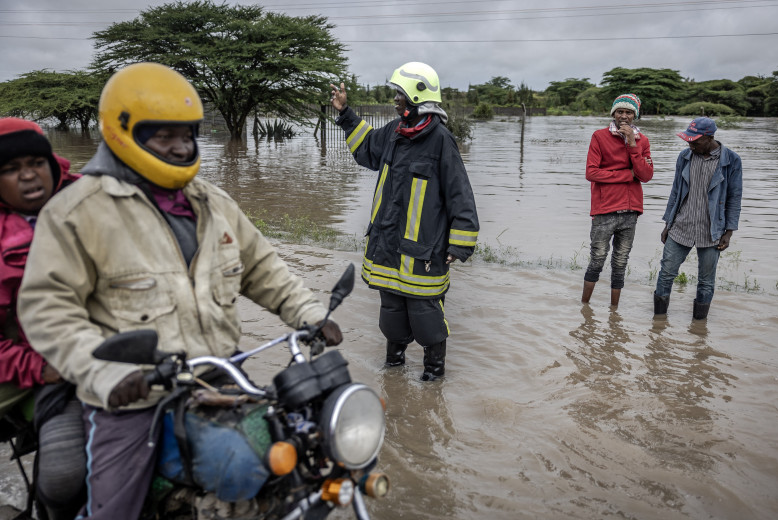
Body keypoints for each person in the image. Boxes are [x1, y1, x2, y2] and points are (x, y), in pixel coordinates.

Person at [17, 62, 342, 520]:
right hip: (134, 401)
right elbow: (48, 311)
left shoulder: (214, 202)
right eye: (163, 135)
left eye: (186, 134)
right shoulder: (77, 212)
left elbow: (263, 268)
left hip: (222, 378)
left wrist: (310, 314)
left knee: (293, 472)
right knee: (114, 511)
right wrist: (108, 376)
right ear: (122, 132)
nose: (180, 146)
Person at [329, 61, 479, 382]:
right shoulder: (394, 133)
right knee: (392, 317)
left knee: (427, 321)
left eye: (399, 95)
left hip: (423, 255)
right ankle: (393, 375)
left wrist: (459, 243)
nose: (395, 100)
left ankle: (433, 379)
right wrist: (344, 114)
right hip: (387, 249)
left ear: (416, 96)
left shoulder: (440, 140)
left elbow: (460, 195)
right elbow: (366, 147)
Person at [0, 118, 85, 520]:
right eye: (10, 169)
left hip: (118, 344)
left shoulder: (92, 198)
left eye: (36, 161)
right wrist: (42, 368)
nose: (28, 175)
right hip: (40, 367)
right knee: (65, 476)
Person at [653, 117, 742, 320]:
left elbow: (734, 198)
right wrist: (668, 223)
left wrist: (729, 232)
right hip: (681, 226)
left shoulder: (731, 161)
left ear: (709, 138)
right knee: (666, 273)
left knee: (706, 281)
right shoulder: (685, 156)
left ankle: (699, 327)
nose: (690, 145)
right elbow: (675, 192)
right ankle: (657, 323)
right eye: (688, 141)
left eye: (695, 141)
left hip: (712, 230)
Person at [582, 93, 654, 307]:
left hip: (631, 211)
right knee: (597, 259)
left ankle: (615, 312)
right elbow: (592, 173)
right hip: (604, 210)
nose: (624, 116)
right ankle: (584, 307)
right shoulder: (599, 136)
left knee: (621, 262)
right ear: (613, 113)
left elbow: (646, 175)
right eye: (620, 111)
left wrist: (632, 144)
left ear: (635, 116)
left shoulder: (643, 140)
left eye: (629, 112)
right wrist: (627, 175)